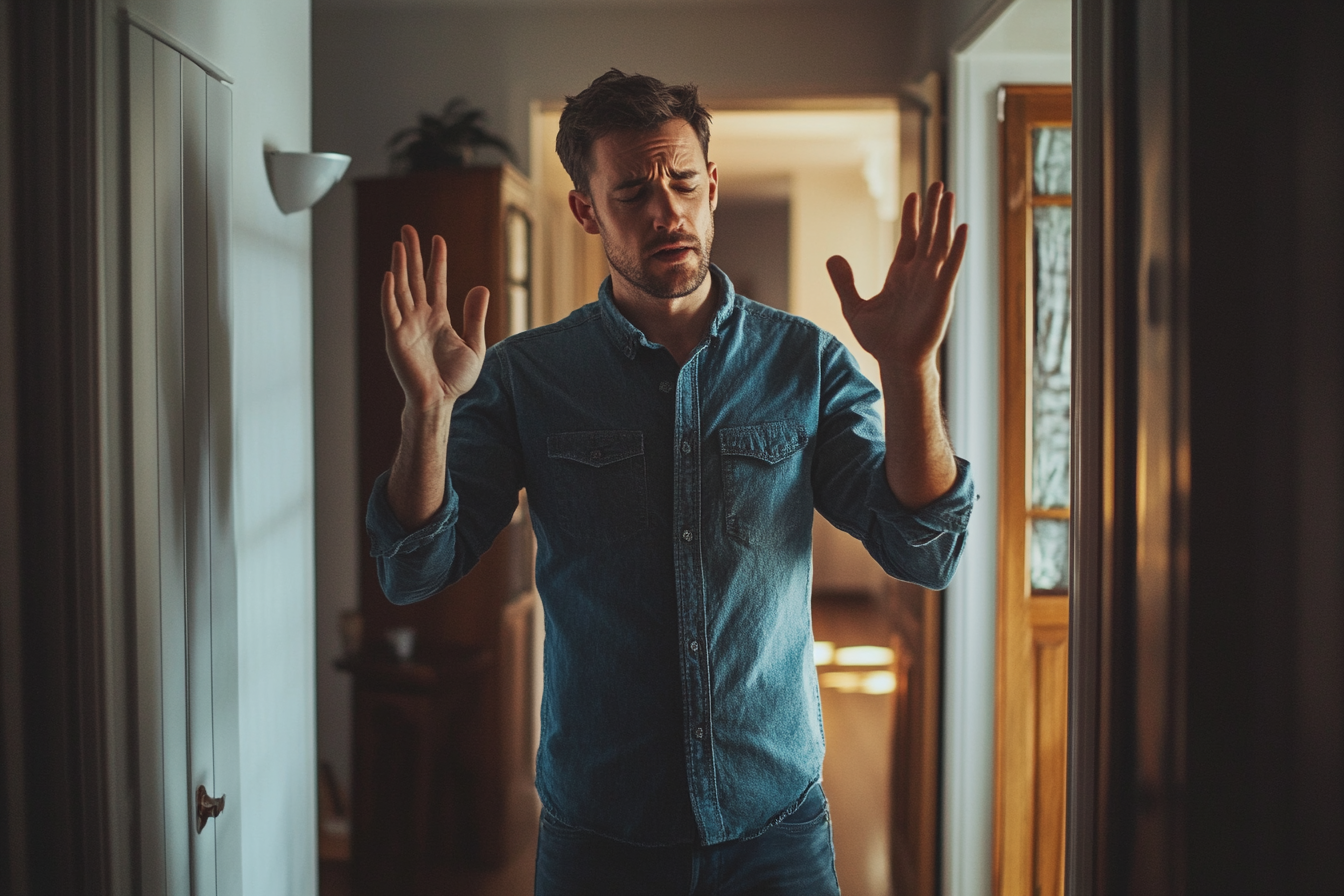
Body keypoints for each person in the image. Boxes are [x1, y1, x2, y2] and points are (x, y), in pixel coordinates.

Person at [365, 69, 974, 896]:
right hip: (600, 836)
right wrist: (428, 412)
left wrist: (909, 371)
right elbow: (414, 568)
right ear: (586, 210)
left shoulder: (807, 363)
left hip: (778, 833)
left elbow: (923, 549)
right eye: (632, 193)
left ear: (712, 185)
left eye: (685, 182)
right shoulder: (526, 378)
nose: (668, 210)